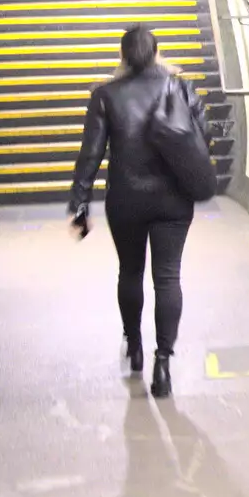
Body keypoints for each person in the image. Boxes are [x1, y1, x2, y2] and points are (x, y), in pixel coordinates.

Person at [67, 25, 207, 398]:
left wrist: (80, 204)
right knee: (168, 277)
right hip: (173, 201)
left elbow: (90, 155)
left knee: (129, 272)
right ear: (157, 52)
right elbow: (200, 138)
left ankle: (135, 347)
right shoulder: (181, 88)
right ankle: (164, 361)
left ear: (123, 54)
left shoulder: (105, 95)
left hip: (126, 199)